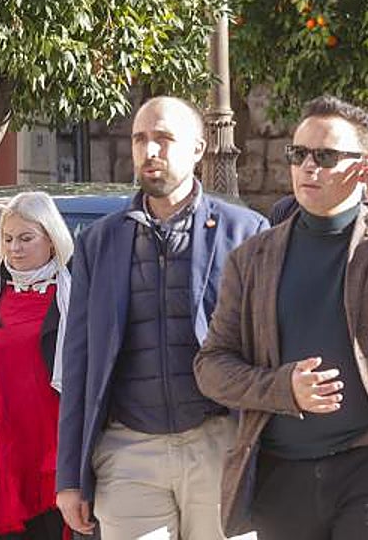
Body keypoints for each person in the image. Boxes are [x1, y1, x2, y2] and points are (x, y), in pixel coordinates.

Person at [194, 96, 368, 539]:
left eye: (325, 156)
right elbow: (211, 367)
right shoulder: (253, 257)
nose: (308, 167)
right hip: (283, 473)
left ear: (363, 165)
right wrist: (282, 387)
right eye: (299, 154)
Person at [56, 96, 268, 540]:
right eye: (140, 139)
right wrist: (69, 478)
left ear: (198, 148)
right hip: (128, 452)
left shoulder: (245, 233)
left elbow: (267, 353)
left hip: (219, 445)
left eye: (164, 139)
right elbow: (79, 363)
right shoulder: (98, 242)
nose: (149, 151)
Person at [0, 193, 74, 540]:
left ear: (52, 241)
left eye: (26, 238)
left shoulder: (76, 296)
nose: (15, 248)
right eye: (8, 239)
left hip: (55, 447)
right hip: (5, 448)